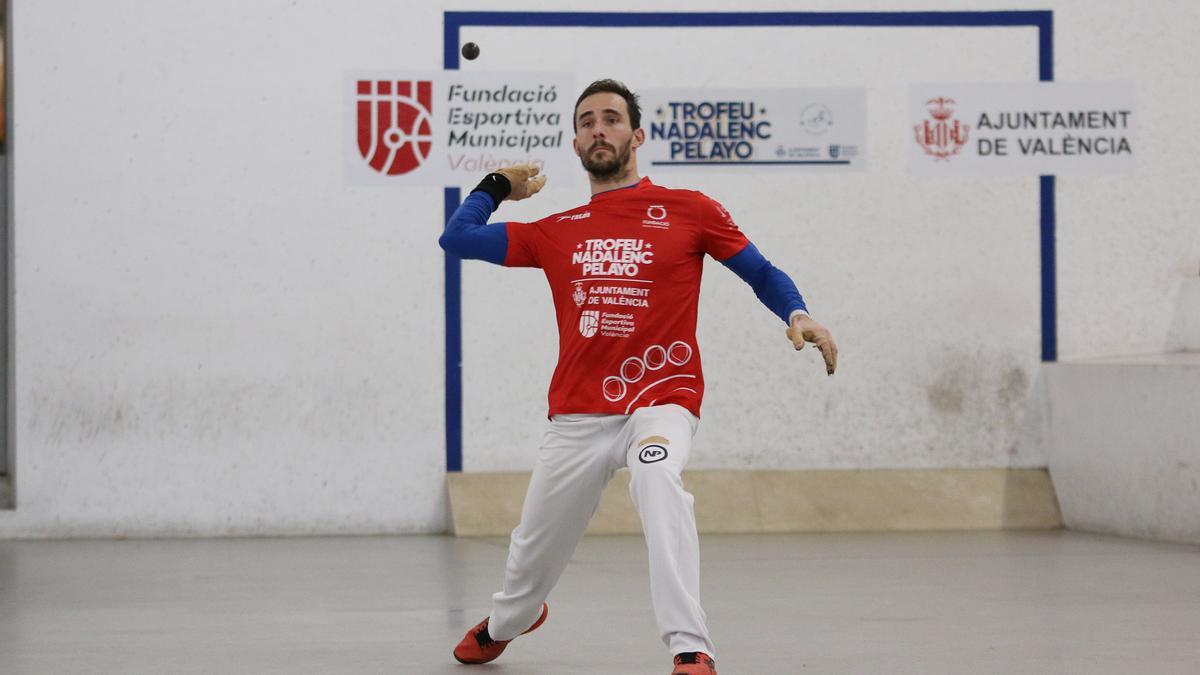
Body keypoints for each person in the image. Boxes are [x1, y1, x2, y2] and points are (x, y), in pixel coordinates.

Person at [440, 79, 837, 675]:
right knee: (528, 564)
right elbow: (457, 238)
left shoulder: (691, 209)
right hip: (577, 413)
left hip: (662, 397)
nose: (599, 129)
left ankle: (689, 647)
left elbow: (761, 271)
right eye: (587, 121)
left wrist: (798, 312)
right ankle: (510, 621)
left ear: (637, 135)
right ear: (575, 143)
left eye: (612, 119)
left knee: (656, 478)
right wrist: (495, 187)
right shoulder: (557, 228)